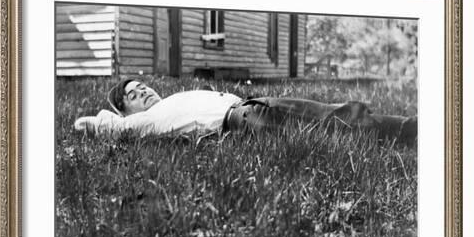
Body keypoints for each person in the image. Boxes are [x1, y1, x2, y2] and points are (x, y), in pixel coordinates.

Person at [74, 79, 417, 143]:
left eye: (143, 85)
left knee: (334, 122)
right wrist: (108, 120)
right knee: (334, 117)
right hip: (247, 115)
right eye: (133, 94)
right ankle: (411, 129)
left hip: (253, 111)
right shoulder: (143, 121)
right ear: (125, 110)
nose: (144, 91)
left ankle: (404, 131)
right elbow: (93, 124)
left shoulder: (167, 103)